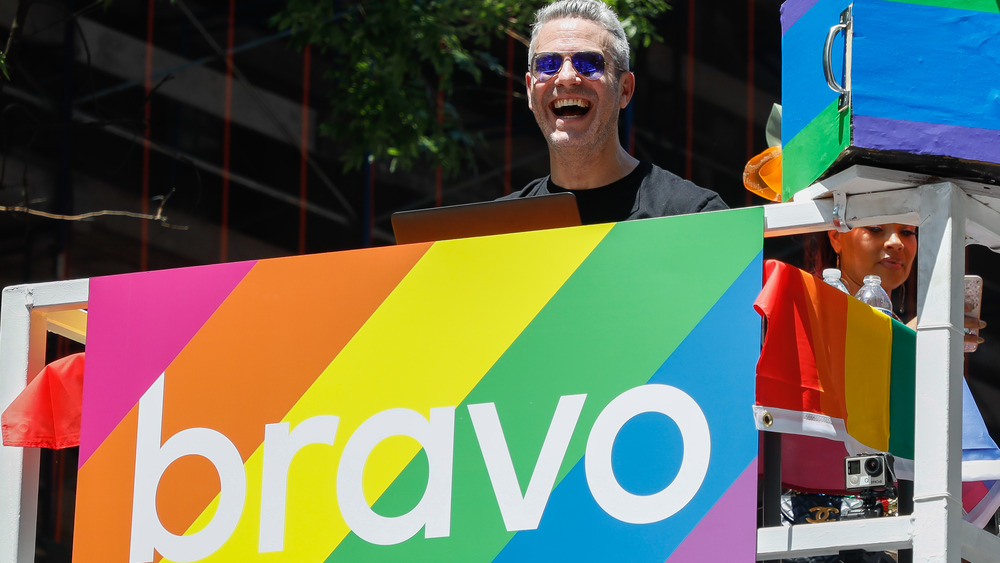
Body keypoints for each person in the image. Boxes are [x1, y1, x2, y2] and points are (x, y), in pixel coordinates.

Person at [499, 0, 727, 224]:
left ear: (625, 90)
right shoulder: (497, 230)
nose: (566, 77)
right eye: (547, 64)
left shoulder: (694, 215)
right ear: (530, 90)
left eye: (589, 63)